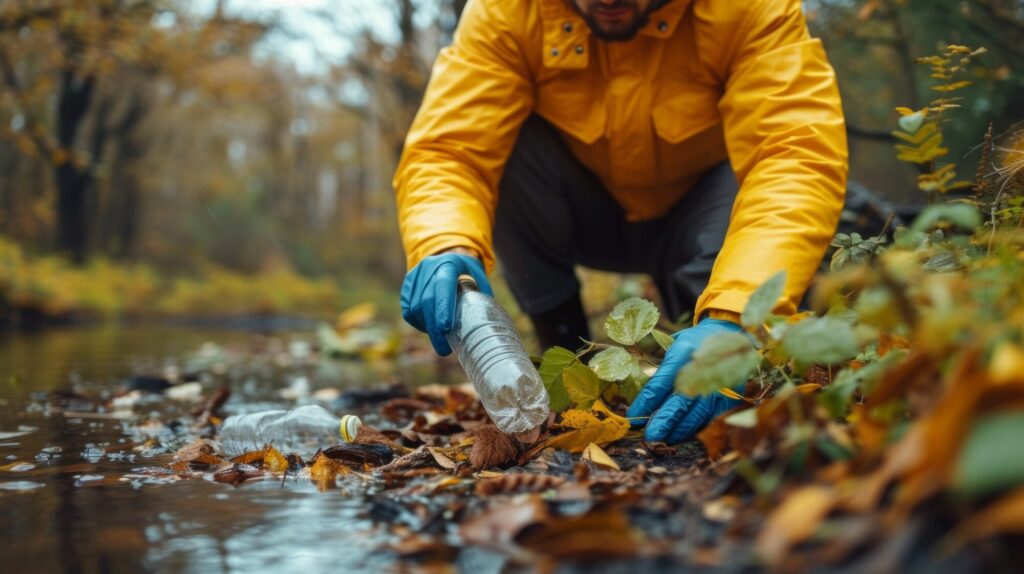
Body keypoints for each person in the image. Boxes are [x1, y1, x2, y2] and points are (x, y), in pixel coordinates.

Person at [394, 0, 848, 444]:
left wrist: (739, 314)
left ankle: (708, 337)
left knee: (763, 184)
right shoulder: (507, 12)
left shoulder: (750, 9)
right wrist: (444, 244)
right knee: (506, 148)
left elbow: (793, 154)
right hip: (586, 216)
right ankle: (564, 349)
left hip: (704, 218)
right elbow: (452, 152)